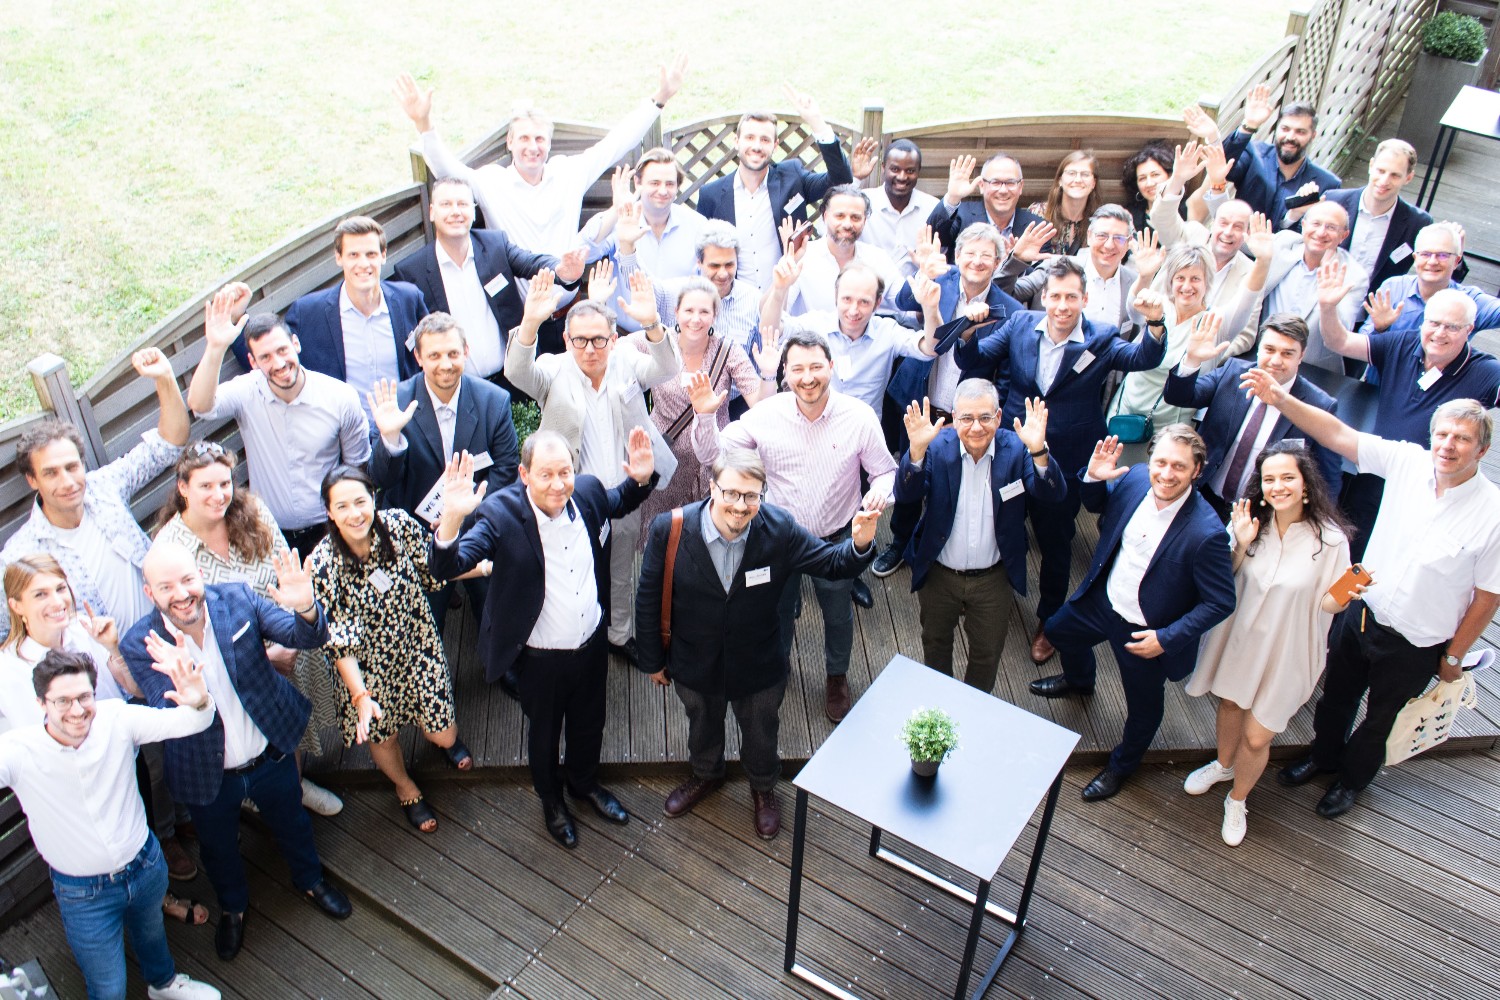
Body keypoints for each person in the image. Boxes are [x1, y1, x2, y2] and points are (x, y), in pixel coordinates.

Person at [1237, 376, 1500, 820]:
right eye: (1442, 434)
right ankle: (1323, 757)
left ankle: (1351, 781)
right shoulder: (1409, 462)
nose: (1448, 445)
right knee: (1335, 696)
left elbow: (1488, 597)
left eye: (1462, 438)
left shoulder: (1493, 512)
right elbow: (1338, 434)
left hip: (1418, 640)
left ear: (1482, 450)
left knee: (1381, 717)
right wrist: (1280, 398)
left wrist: (1454, 657)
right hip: (1362, 612)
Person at [122, 542, 353, 961]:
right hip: (206, 774)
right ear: (149, 591)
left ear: (200, 575)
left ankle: (310, 879)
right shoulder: (140, 642)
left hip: (269, 755)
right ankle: (233, 907)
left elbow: (306, 636)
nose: (181, 594)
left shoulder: (238, 597)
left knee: (293, 822)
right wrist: (190, 694)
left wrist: (306, 608)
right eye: (167, 586)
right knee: (218, 848)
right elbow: (163, 714)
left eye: (187, 580)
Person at [427, 431, 657, 848]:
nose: (557, 484)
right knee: (545, 734)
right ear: (524, 474)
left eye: (564, 472)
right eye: (545, 474)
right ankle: (551, 801)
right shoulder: (499, 515)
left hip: (591, 645)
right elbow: (449, 567)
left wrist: (640, 479)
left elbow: (620, 500)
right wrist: (452, 520)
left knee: (590, 723)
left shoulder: (586, 492)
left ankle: (583, 784)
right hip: (540, 658)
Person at [634, 450, 880, 839]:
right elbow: (647, 598)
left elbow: (832, 564)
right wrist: (652, 660)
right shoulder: (671, 529)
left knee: (762, 730)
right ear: (712, 487)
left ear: (762, 494)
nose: (740, 505)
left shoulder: (779, 530)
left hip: (759, 661)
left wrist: (860, 544)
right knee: (702, 722)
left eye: (751, 495)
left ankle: (764, 787)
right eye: (731, 493)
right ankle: (705, 774)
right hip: (694, 660)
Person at [954, 256, 1168, 665]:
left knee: (1055, 541)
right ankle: (988, 593)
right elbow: (974, 359)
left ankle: (1048, 617)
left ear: (1084, 299)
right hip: (1014, 451)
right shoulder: (1020, 324)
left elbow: (1144, 358)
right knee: (1001, 519)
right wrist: (967, 330)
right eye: (1055, 296)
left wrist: (1155, 324)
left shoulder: (1101, 337)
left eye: (1071, 297)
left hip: (1066, 459)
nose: (1062, 305)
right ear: (1044, 298)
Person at [690, 331, 896, 723]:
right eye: (797, 368)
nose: (807, 377)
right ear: (785, 372)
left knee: (837, 612)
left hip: (834, 538)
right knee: (775, 611)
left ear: (831, 367)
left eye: (816, 366)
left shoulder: (859, 417)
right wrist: (703, 415)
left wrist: (878, 494)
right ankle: (776, 668)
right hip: (778, 539)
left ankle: (836, 675)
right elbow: (712, 455)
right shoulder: (766, 415)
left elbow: (885, 472)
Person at [0, 648, 221, 1000]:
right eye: (62, 701)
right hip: (83, 893)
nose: (77, 710)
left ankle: (163, 984)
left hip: (145, 866)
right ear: (41, 703)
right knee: (108, 986)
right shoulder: (17, 751)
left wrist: (199, 698)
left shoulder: (116, 717)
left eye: (84, 696)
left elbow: (191, 721)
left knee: (151, 934)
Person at [1029, 427, 1236, 802]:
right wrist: (1094, 478)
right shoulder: (1137, 478)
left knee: (1144, 709)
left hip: (1146, 631)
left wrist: (1166, 639)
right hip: (1103, 599)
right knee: (1058, 632)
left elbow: (1220, 601)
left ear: (1197, 470)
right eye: (1161, 462)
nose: (1166, 474)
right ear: (1150, 460)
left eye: (1179, 466)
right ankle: (1080, 680)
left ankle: (1121, 766)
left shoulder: (1207, 533)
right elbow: (1098, 505)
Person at [0, 557, 202, 921]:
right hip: (66, 785)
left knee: (139, 831)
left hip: (120, 759)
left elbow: (131, 691)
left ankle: (156, 898)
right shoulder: (7, 670)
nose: (57, 601)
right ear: (16, 605)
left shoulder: (83, 631)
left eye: (60, 588)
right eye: (40, 594)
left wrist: (112, 648)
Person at [154, 443, 343, 817]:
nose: (219, 495)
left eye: (225, 483)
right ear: (183, 487)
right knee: (258, 737)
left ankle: (294, 786)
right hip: (235, 665)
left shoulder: (252, 511)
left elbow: (286, 574)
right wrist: (261, 658)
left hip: (286, 640)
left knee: (293, 726)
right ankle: (274, 795)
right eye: (206, 486)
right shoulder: (169, 547)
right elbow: (184, 624)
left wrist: (290, 638)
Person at [505, 269, 681, 667]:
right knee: (574, 569)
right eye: (580, 340)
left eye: (599, 339)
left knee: (621, 567)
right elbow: (517, 373)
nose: (590, 349)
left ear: (613, 339)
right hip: (572, 499)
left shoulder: (626, 361)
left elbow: (667, 368)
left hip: (627, 489)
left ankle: (619, 634)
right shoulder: (553, 369)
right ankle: (581, 636)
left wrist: (652, 323)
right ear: (567, 340)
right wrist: (530, 322)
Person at [1183, 443, 1353, 846]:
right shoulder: (1249, 522)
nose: (1278, 486)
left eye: (1287, 477)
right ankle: (1224, 764)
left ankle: (1238, 798)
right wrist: (1240, 543)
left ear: (1306, 483)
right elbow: (1222, 579)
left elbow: (1329, 603)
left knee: (1259, 736)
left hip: (1290, 648)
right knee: (1230, 705)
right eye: (1269, 479)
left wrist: (1347, 595)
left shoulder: (1331, 541)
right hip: (1241, 639)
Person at [309, 467, 474, 835]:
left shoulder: (398, 525)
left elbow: (436, 569)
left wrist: (484, 565)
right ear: (329, 512)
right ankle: (404, 787)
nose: (354, 513)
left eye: (360, 501)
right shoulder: (323, 564)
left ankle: (444, 742)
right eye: (342, 506)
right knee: (385, 737)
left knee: (444, 734)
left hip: (417, 644)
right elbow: (338, 641)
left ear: (373, 499)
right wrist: (360, 695)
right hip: (366, 670)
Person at [395, 60, 687, 257]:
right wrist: (424, 124)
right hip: (519, 312)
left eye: (539, 139)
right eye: (523, 138)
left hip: (568, 308)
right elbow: (446, 170)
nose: (532, 147)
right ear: (510, 142)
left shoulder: (569, 173)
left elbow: (616, 143)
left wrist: (659, 99)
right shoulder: (491, 182)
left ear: (549, 144)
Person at [1, 348, 190, 642]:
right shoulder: (19, 554)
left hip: (173, 629)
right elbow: (7, 633)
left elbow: (168, 445)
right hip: (112, 664)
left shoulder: (104, 487)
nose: (67, 482)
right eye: (51, 473)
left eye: (72, 467)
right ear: (32, 480)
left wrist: (165, 377)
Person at [1313, 271, 1500, 560]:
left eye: (1452, 327)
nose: (1439, 333)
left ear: (1469, 330)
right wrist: (1327, 307)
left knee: (1395, 559)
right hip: (1374, 474)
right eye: (1434, 323)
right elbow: (1340, 342)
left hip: (1426, 490)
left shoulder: (1485, 371)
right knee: (1348, 549)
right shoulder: (1402, 343)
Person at [876, 224, 1026, 578]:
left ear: (998, 262)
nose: (977, 261)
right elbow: (903, 302)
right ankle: (899, 541)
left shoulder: (1009, 309)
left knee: (951, 483)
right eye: (970, 253)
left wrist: (994, 418)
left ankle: (937, 547)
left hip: (967, 417)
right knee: (911, 471)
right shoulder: (940, 281)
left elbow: (1005, 372)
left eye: (986, 255)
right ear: (957, 256)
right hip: (923, 401)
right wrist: (923, 272)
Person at [896, 385, 1064, 690]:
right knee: (935, 643)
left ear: (998, 417)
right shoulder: (936, 446)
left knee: (987, 653)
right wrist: (916, 452)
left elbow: (1052, 495)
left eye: (985, 417)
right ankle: (941, 704)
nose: (976, 427)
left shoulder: (1018, 448)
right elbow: (907, 494)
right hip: (940, 574)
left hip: (993, 578)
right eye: (967, 418)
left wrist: (1039, 451)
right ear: (954, 418)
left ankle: (976, 706)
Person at [367, 312, 520, 631]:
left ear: (466, 351)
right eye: (434, 355)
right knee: (424, 624)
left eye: (452, 353)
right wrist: (390, 438)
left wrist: (462, 517)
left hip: (478, 527)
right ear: (418, 357)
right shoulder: (396, 404)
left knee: (494, 615)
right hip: (417, 536)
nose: (445, 364)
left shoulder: (494, 401)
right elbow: (381, 481)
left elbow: (505, 471)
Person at [189, 288, 371, 557]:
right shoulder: (247, 391)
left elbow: (357, 465)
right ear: (252, 362)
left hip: (330, 529)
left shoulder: (340, 397)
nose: (278, 363)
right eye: (265, 357)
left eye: (282, 350)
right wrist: (216, 346)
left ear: (296, 344)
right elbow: (200, 405)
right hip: (268, 532)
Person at [391, 177, 586, 375]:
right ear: (432, 212)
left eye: (463, 204)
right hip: (457, 384)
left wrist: (560, 270)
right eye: (446, 204)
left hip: (511, 377)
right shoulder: (411, 272)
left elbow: (529, 262)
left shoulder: (494, 245)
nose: (455, 211)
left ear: (474, 211)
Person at [1163, 314, 1342, 517]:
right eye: (1269, 350)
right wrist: (1192, 359)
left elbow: (1329, 481)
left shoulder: (1319, 406)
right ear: (1258, 347)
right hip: (1203, 496)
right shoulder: (1233, 372)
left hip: (1261, 514)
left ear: (1301, 356)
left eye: (1287, 353)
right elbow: (1178, 396)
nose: (1276, 361)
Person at [1108, 217, 1273, 430]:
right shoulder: (1159, 307)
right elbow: (1135, 311)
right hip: (1124, 413)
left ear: (1207, 283)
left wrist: (1262, 262)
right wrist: (1145, 276)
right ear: (1171, 281)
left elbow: (1247, 299)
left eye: (1195, 279)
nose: (1187, 286)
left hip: (1169, 429)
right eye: (1180, 278)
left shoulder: (1215, 322)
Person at [631, 279, 767, 533]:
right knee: (660, 533)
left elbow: (760, 406)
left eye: (704, 312)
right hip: (665, 460)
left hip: (712, 462)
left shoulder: (728, 350)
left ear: (715, 315)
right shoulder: (655, 341)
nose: (696, 319)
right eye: (689, 310)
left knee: (707, 535)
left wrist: (768, 374)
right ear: (676, 312)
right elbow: (611, 350)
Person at [694, 88, 854, 289]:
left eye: (765, 140)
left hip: (788, 293)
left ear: (775, 145)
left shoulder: (792, 177)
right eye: (750, 138)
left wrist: (816, 122)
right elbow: (700, 253)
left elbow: (841, 179)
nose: (757, 146)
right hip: (735, 300)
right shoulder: (711, 195)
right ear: (736, 141)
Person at [274, 217, 429, 412]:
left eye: (371, 254)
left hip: (404, 419)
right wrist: (240, 320)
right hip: (343, 426)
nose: (363, 264)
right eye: (353, 255)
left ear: (383, 255)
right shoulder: (307, 313)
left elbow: (433, 351)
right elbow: (273, 356)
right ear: (339, 258)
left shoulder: (408, 299)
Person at [763, 260, 939, 413]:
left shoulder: (887, 332)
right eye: (847, 299)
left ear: (877, 303)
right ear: (836, 297)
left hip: (863, 434)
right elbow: (771, 330)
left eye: (864, 302)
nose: (854, 310)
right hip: (815, 428)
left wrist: (930, 309)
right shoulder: (816, 324)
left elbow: (931, 348)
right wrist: (779, 290)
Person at [1210, 85, 1341, 230]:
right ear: (1277, 129)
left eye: (1300, 132)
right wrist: (1249, 125)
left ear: (1313, 136)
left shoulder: (1327, 184)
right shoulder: (1254, 153)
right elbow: (1222, 167)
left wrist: (1293, 217)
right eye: (1285, 129)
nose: (1290, 137)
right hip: (1238, 240)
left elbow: (1318, 233)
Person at [1258, 200, 1368, 373]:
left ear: (1344, 236)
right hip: (1261, 357)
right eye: (1316, 224)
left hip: (1312, 368)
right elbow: (1236, 244)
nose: (1321, 232)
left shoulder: (1353, 275)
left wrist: (1328, 306)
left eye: (1331, 227)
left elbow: (1340, 334)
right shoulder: (1284, 243)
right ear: (1303, 226)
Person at [1001, 205, 1139, 338]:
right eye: (1102, 235)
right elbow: (1003, 295)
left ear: (1129, 242)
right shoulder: (1056, 266)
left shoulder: (1135, 282)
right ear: (1089, 236)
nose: (1109, 245)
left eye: (1119, 238)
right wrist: (1016, 261)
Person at [1353, 223, 1500, 343]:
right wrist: (1379, 329)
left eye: (1443, 255)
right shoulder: (1393, 288)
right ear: (1415, 258)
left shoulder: (1470, 300)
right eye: (1425, 254)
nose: (1433, 261)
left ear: (1456, 261)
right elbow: (1363, 342)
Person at [1322, 138, 1431, 296]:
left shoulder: (1418, 223)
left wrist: (1455, 248)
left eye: (1395, 175)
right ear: (1371, 165)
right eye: (1381, 171)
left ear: (1408, 178)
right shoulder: (1333, 200)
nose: (1384, 181)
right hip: (1320, 297)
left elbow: (1441, 273)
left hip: (1373, 308)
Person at [774, 186, 902, 315]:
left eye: (855, 217)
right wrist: (782, 284)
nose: (847, 224)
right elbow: (779, 315)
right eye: (840, 216)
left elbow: (904, 305)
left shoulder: (877, 258)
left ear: (864, 221)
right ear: (825, 217)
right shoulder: (802, 257)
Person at [926, 153, 1045, 259]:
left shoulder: (1037, 228)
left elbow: (1043, 273)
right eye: (995, 182)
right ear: (982, 186)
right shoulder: (962, 216)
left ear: (1021, 187)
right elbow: (932, 238)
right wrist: (953, 198)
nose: (1003, 190)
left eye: (1010, 183)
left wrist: (1018, 262)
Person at [855, 139, 939, 276]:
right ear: (883, 168)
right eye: (895, 169)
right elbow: (828, 229)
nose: (902, 177)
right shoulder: (861, 202)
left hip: (916, 286)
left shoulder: (932, 207)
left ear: (918, 171)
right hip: (867, 285)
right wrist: (855, 179)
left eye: (910, 171)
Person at [1028, 150, 1102, 256]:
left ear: (1093, 183)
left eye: (1085, 174)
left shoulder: (1100, 221)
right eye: (1071, 173)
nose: (1078, 180)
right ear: (1060, 180)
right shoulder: (1038, 212)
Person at [1121, 143, 1178, 232]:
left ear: (1170, 175)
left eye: (1155, 175)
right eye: (1142, 178)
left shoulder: (1187, 207)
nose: (1149, 183)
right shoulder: (1128, 215)